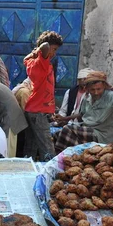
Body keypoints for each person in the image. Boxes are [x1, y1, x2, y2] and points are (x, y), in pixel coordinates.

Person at [55, 71, 113, 153]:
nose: (96, 92)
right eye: (92, 89)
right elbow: (82, 114)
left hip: (102, 134)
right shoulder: (87, 97)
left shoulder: (112, 97)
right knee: (58, 134)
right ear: (88, 88)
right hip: (87, 129)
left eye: (99, 89)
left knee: (67, 130)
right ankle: (71, 157)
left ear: (104, 86)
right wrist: (64, 118)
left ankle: (59, 157)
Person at [22, 30, 63, 161]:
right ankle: (52, 174)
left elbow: (25, 58)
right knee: (47, 149)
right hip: (38, 112)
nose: (54, 53)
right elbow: (45, 46)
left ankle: (27, 171)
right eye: (54, 49)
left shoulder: (32, 61)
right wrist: (39, 49)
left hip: (34, 109)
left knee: (31, 147)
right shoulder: (41, 62)